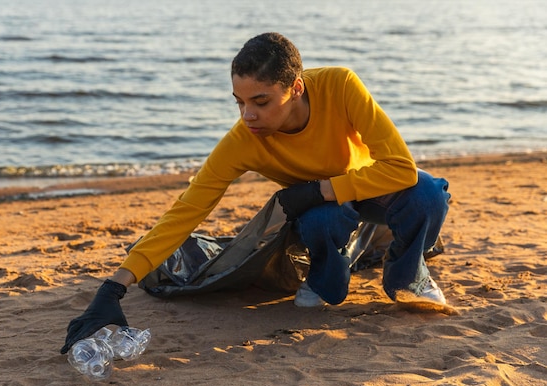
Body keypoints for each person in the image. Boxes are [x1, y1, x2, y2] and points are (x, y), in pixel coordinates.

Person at [61, 32, 451, 354]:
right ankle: (323, 275)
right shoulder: (243, 140)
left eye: (260, 102)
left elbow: (399, 167)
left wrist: (320, 189)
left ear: (296, 87)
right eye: (239, 102)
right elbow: (186, 211)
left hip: (370, 187)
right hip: (320, 215)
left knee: (430, 193)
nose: (248, 115)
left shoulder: (340, 86)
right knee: (326, 245)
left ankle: (406, 273)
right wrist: (113, 287)